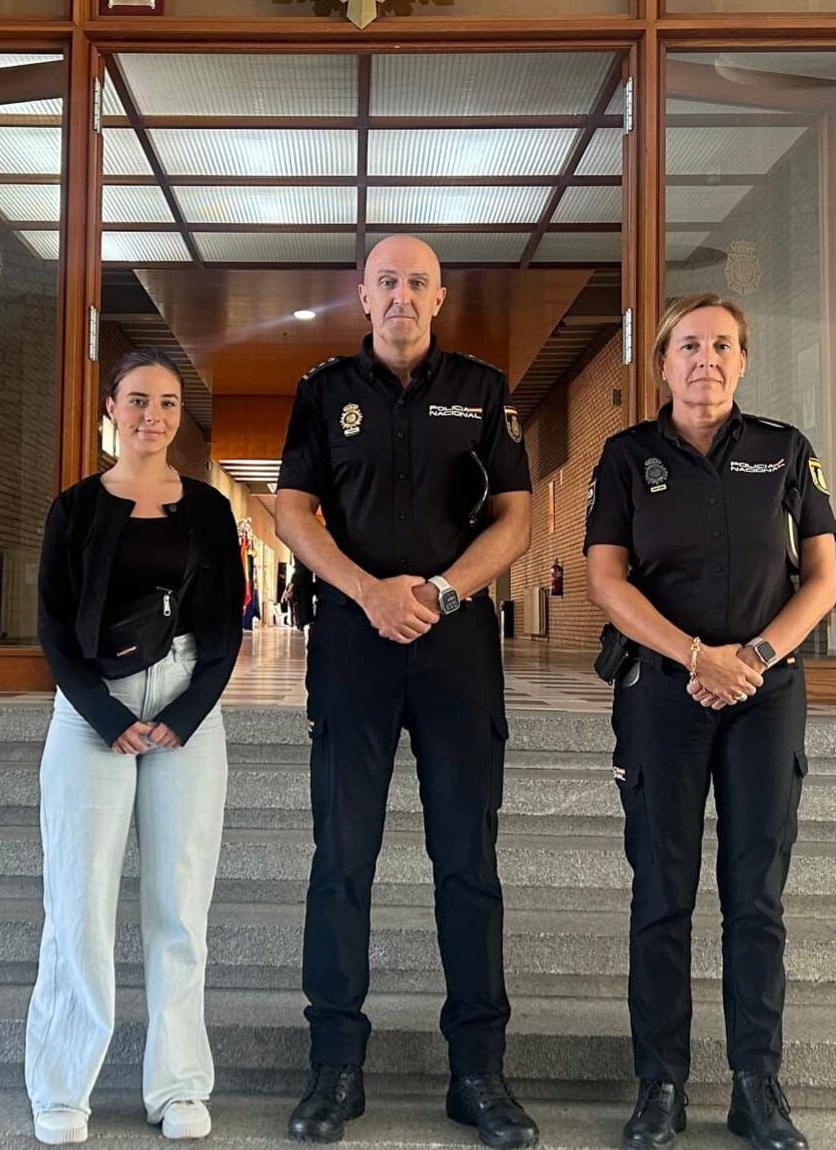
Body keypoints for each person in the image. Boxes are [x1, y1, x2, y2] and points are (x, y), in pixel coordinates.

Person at [275, 235, 538, 1149]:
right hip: (353, 641)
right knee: (340, 858)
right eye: (385, 281)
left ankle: (478, 1073)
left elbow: (515, 514)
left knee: (467, 860)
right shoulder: (321, 392)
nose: (400, 295)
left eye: (415, 282)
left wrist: (441, 591)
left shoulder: (482, 386)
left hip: (454, 644)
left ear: (438, 297)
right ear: (361, 294)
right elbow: (292, 507)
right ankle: (333, 1068)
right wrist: (367, 591)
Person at [585, 296, 836, 1150]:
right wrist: (697, 656)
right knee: (661, 893)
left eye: (722, 344)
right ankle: (658, 1084)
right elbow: (608, 584)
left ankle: (754, 1083)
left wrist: (752, 659)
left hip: (765, 698)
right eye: (688, 345)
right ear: (661, 364)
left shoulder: (784, 450)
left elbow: (821, 581)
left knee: (754, 897)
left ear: (742, 358)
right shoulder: (626, 457)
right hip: (663, 692)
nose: (706, 360)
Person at [25, 348, 245, 1146]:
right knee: (78, 901)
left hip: (185, 704)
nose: (152, 414)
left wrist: (185, 714)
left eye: (167, 402)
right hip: (92, 707)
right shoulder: (76, 507)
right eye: (137, 399)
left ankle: (179, 1085)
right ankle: (61, 1088)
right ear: (112, 410)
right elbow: (52, 623)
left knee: (179, 904)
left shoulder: (212, 512)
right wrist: (100, 712)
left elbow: (225, 626)